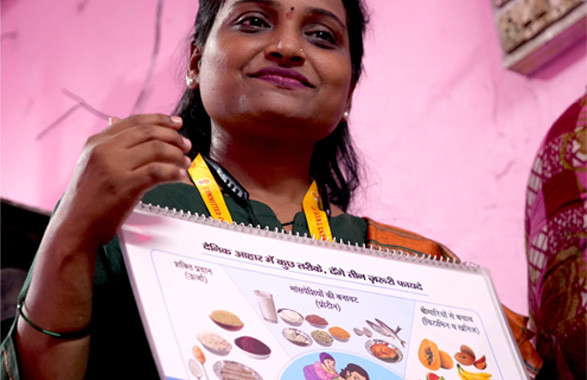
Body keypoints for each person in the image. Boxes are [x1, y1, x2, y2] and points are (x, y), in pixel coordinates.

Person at [0, 0, 538, 379]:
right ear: (194, 61)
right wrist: (70, 231)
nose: (286, 47)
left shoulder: (413, 263)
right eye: (253, 22)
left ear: (350, 88)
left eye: (322, 35)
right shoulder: (123, 214)